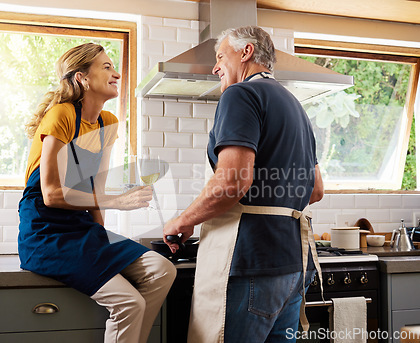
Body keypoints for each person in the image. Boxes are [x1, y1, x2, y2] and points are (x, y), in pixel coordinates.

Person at [163, 26, 324, 343]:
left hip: (251, 261)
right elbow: (316, 190)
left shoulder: (241, 95)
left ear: (246, 52)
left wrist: (183, 220)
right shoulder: (295, 106)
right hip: (294, 264)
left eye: (221, 56)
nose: (215, 67)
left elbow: (232, 182)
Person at [18, 43, 176, 343]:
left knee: (162, 269)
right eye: (106, 67)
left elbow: (95, 188)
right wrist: (117, 202)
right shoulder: (61, 116)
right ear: (82, 78)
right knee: (130, 302)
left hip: (82, 230)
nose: (116, 73)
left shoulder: (108, 123)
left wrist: (101, 235)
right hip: (46, 234)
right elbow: (51, 194)